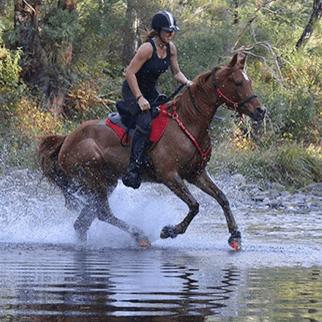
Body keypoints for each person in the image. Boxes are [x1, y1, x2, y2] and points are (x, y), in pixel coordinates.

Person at [122, 10, 192, 189]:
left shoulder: (171, 48)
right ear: (159, 30)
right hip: (132, 90)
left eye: (173, 30)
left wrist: (187, 82)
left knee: (168, 115)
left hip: (150, 91)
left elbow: (176, 72)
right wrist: (139, 98)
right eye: (168, 30)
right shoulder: (147, 48)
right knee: (145, 123)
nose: (171, 34)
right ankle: (133, 168)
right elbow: (129, 73)